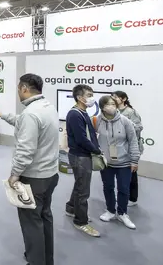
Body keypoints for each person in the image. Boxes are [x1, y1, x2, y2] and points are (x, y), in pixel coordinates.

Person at [0, 74, 59, 265]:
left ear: (24, 88)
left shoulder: (31, 113)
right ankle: (46, 259)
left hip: (34, 178)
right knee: (44, 216)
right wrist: (2, 115)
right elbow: (22, 121)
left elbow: (26, 149)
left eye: (18, 89)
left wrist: (15, 175)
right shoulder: (46, 106)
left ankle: (36, 260)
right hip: (50, 174)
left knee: (31, 223)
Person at [96, 95, 140, 229]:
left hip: (124, 162)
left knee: (123, 189)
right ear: (102, 107)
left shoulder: (125, 121)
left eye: (114, 104)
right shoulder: (98, 120)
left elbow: (133, 141)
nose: (112, 107)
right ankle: (110, 210)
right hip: (106, 162)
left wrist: (134, 160)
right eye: (108, 104)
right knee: (108, 187)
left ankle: (122, 213)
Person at [65, 84, 102, 238]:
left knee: (79, 184)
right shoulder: (75, 114)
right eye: (89, 95)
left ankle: (71, 208)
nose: (92, 98)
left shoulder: (83, 112)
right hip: (80, 156)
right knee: (83, 190)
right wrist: (96, 150)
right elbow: (81, 139)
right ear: (80, 98)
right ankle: (81, 221)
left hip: (83, 155)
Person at [112, 90, 144, 207]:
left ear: (123, 99)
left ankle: (132, 198)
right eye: (112, 97)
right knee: (117, 171)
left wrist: (126, 125)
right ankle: (122, 194)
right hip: (115, 147)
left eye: (116, 97)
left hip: (128, 147)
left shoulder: (130, 112)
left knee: (131, 172)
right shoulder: (113, 111)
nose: (113, 99)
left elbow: (139, 128)